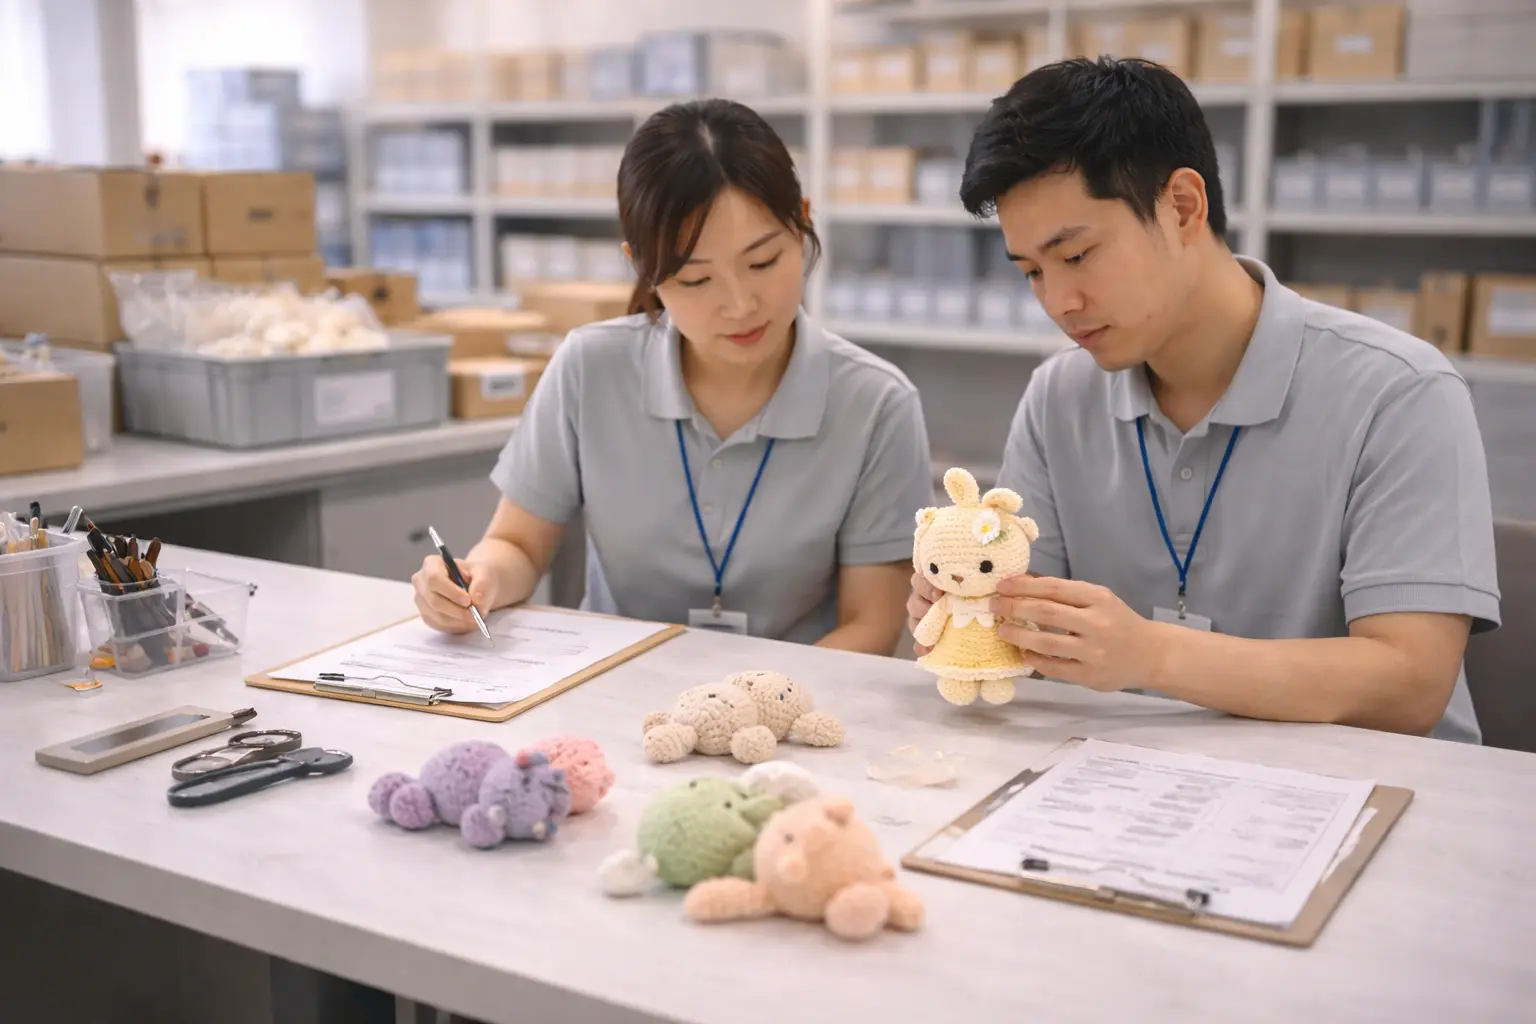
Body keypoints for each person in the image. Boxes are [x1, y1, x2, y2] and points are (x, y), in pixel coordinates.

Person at [907, 57, 1500, 742]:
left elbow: (1411, 685)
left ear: (1183, 206)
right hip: (1126, 782)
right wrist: (966, 605)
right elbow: (1032, 641)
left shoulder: (1400, 392)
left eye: (1076, 256)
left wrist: (1152, 655)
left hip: (1372, 795)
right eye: (1033, 272)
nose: (1058, 302)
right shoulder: (1058, 395)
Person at [414, 98, 934, 655]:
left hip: (792, 719)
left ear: (802, 220)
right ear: (643, 267)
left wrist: (748, 710)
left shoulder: (876, 403)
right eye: (695, 280)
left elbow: (871, 625)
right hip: (612, 693)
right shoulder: (591, 368)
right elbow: (517, 544)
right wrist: (478, 578)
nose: (739, 304)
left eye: (762, 263)